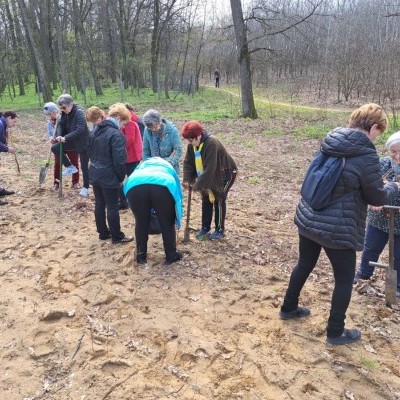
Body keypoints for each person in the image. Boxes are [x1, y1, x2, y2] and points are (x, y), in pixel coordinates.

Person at [279, 103, 400, 346]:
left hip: (309, 215)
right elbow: (376, 196)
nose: (378, 138)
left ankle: (288, 308)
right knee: (344, 280)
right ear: (373, 127)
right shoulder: (365, 155)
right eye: (379, 132)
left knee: (304, 263)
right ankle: (335, 332)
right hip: (337, 227)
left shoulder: (331, 141)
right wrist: (393, 187)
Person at [354, 131, 400, 296]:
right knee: (371, 248)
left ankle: (398, 286)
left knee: (398, 255)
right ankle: (363, 275)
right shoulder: (381, 164)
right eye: (393, 152)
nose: (397, 156)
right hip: (378, 218)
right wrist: (374, 198)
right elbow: (370, 185)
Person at [181, 121, 237, 241]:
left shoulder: (212, 143)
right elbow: (188, 162)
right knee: (206, 199)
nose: (189, 143)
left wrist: (196, 186)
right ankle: (205, 227)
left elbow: (211, 169)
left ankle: (219, 230)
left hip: (225, 173)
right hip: (207, 174)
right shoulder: (193, 144)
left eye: (191, 140)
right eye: (188, 141)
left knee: (218, 199)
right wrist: (187, 179)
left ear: (199, 136)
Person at [88, 103, 133, 244]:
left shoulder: (95, 130)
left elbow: (90, 152)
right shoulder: (116, 135)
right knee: (112, 206)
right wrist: (121, 177)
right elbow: (119, 160)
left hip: (95, 172)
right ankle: (117, 236)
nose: (124, 127)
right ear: (118, 118)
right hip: (108, 175)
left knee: (100, 203)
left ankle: (103, 232)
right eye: (124, 123)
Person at [124, 157, 183, 265]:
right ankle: (171, 255)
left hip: (135, 186)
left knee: (141, 222)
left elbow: (126, 187)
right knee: (167, 222)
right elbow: (178, 194)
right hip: (163, 186)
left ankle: (141, 257)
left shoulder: (140, 167)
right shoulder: (169, 168)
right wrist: (178, 218)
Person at [51, 94, 90, 197]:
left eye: (64, 107)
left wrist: (65, 138)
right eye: (61, 108)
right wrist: (59, 135)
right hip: (71, 140)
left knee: (84, 166)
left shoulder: (79, 113)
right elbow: (60, 125)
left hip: (82, 142)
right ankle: (69, 167)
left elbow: (81, 129)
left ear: (71, 104)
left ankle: (86, 187)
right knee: (55, 147)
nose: (63, 110)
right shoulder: (64, 113)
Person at [43, 102, 80, 190]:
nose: (49, 116)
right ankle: (56, 182)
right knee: (57, 163)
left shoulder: (64, 117)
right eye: (47, 115)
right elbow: (50, 134)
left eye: (50, 114)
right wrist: (51, 138)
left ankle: (75, 182)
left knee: (74, 162)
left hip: (69, 143)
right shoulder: (50, 122)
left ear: (55, 111)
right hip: (58, 145)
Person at [118, 104, 143, 210]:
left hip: (131, 156)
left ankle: (134, 201)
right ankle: (124, 200)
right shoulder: (127, 122)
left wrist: (118, 147)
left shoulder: (130, 123)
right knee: (120, 179)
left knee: (133, 179)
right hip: (127, 156)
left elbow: (129, 139)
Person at [142, 109, 182, 173]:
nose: (153, 130)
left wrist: (168, 162)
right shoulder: (147, 130)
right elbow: (146, 151)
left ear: (159, 122)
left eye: (155, 127)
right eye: (151, 128)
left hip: (170, 168)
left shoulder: (172, 131)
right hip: (154, 168)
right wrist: (148, 164)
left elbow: (178, 150)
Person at [0, 111, 17, 206]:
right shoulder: (0, 124)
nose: (14, 124)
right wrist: (7, 149)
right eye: (14, 121)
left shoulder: (3, 124)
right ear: (9, 118)